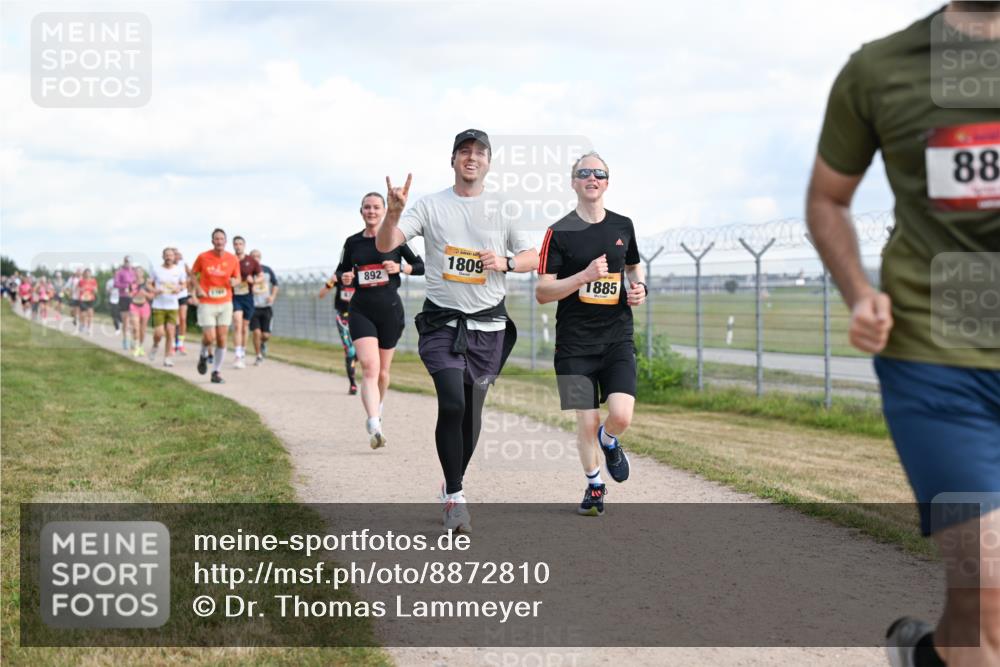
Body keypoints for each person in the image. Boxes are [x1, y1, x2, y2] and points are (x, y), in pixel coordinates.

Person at [806, 4, 999, 666]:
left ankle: (928, 657)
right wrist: (860, 292)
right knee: (994, 591)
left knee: (977, 607)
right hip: (936, 364)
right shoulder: (881, 69)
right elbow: (827, 198)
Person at [375, 129, 538, 532]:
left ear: (488, 162)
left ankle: (451, 483)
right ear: (452, 160)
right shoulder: (430, 206)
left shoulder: (503, 207)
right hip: (442, 324)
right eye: (464, 151)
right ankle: (456, 496)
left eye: (479, 152)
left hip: (489, 327)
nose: (471, 157)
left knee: (472, 414)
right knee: (452, 403)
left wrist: (505, 262)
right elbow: (385, 245)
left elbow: (533, 255)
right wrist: (394, 212)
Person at [536, 152, 645, 517]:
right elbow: (542, 292)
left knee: (621, 415)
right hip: (573, 347)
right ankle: (595, 485)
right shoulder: (558, 232)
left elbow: (633, 267)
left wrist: (639, 288)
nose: (592, 178)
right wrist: (582, 276)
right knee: (586, 421)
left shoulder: (623, 226)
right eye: (584, 173)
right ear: (573, 182)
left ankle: (610, 441)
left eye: (599, 173)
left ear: (607, 182)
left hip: (616, 339)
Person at [336, 192, 425, 449]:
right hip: (361, 309)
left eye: (376, 207)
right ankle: (373, 422)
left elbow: (420, 266)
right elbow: (342, 269)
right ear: (361, 211)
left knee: (383, 374)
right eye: (367, 207)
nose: (372, 211)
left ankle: (378, 408)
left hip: (390, 311)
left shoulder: (397, 238)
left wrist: (401, 268)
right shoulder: (352, 242)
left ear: (384, 210)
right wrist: (345, 277)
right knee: (369, 367)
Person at [191, 228, 241, 384]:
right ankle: (203, 354)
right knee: (209, 337)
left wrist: (235, 282)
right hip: (207, 302)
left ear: (226, 242)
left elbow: (238, 277)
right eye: (216, 239)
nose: (219, 241)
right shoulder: (203, 257)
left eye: (222, 239)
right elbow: (193, 274)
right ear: (213, 241)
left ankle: (216, 372)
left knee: (221, 338)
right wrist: (198, 289)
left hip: (225, 301)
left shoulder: (232, 259)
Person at [318, 273, 359, 394]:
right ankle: (353, 385)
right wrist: (330, 282)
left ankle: (354, 359)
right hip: (343, 318)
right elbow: (321, 295)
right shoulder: (340, 276)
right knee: (350, 351)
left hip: (361, 317)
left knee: (362, 353)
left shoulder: (362, 275)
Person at [150, 247, 185, 367]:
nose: (169, 257)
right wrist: (154, 289)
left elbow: (184, 283)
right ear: (163, 256)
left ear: (174, 257)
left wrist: (179, 288)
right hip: (158, 305)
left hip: (173, 305)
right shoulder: (156, 269)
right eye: (166, 255)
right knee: (159, 333)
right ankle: (155, 345)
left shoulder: (179, 270)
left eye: (171, 255)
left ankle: (167, 357)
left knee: (170, 332)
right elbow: (148, 283)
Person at [230, 236, 261, 369]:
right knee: (237, 323)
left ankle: (242, 351)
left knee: (244, 326)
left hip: (247, 297)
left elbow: (260, 276)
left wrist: (253, 281)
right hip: (234, 296)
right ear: (233, 246)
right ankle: (237, 355)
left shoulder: (251, 261)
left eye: (240, 244)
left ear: (244, 245)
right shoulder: (229, 260)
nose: (238, 246)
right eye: (236, 244)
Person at [247, 249, 279, 366]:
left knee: (265, 335)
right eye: (253, 256)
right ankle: (258, 356)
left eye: (258, 256)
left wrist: (272, 296)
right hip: (253, 307)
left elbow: (276, 284)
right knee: (256, 332)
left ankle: (263, 344)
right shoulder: (247, 272)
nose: (256, 258)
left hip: (266, 306)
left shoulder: (267, 270)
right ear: (250, 258)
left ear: (260, 258)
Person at [128, 267, 154, 356]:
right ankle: (136, 347)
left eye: (140, 271)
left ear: (143, 273)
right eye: (136, 271)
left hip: (145, 307)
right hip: (134, 306)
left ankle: (141, 347)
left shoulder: (147, 284)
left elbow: (152, 296)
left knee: (143, 329)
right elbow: (129, 294)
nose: (138, 273)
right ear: (134, 273)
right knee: (136, 327)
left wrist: (145, 293)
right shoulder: (131, 283)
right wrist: (131, 294)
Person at [114, 258, 136, 350]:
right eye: (126, 261)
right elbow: (116, 284)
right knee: (125, 321)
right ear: (124, 262)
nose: (128, 263)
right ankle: (125, 340)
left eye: (129, 261)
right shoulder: (120, 272)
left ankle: (133, 340)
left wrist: (133, 287)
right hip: (123, 297)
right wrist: (125, 286)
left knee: (133, 321)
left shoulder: (134, 272)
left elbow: (136, 283)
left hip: (133, 297)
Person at [173, 248, 191, 354]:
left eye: (177, 254)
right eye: (174, 254)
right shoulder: (167, 267)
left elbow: (192, 275)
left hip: (183, 295)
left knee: (183, 319)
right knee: (175, 320)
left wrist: (189, 288)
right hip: (171, 297)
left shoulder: (183, 264)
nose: (176, 256)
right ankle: (173, 342)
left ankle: (181, 343)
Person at [77, 269, 98, 335]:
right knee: (83, 314)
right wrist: (81, 289)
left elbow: (96, 290)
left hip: (90, 298)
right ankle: (82, 324)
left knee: (90, 314)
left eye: (89, 273)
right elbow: (77, 289)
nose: (88, 274)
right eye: (86, 273)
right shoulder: (81, 281)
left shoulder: (93, 281)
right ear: (84, 274)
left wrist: (94, 290)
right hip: (83, 299)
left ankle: (89, 328)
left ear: (91, 274)